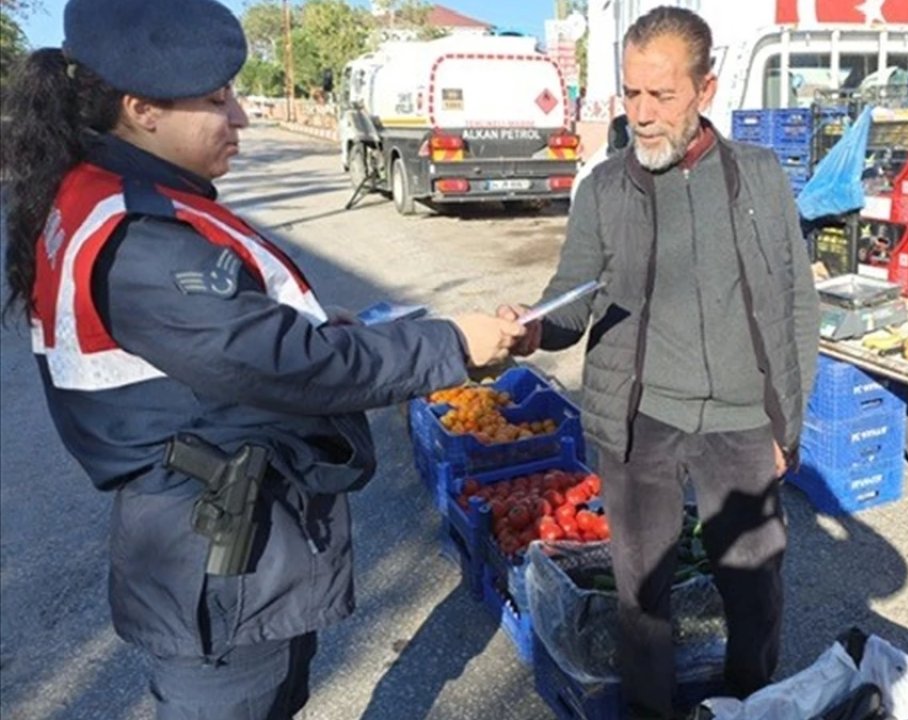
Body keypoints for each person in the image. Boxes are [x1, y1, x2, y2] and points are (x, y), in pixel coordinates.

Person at [0, 1, 524, 718]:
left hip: (222, 538)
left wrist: (308, 320)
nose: (241, 116)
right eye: (218, 100)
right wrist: (455, 343)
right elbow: (288, 364)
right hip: (216, 557)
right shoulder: (140, 239)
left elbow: (223, 340)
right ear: (143, 110)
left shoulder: (118, 195)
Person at [500, 6, 820, 718]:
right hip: (639, 422)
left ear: (704, 91)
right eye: (631, 94)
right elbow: (571, 298)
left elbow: (797, 303)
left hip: (741, 422)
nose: (641, 115)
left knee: (755, 591)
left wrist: (785, 424)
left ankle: (751, 704)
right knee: (643, 599)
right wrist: (532, 330)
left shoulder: (759, 178)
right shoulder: (604, 189)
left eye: (661, 95)